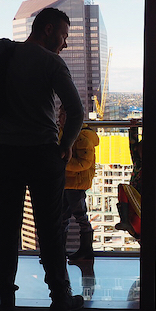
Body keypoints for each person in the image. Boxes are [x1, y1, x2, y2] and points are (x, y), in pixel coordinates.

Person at [0, 7, 85, 311]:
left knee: (7, 228)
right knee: (50, 229)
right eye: (64, 36)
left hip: (4, 153)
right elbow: (76, 112)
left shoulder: (1, 58)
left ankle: (6, 301)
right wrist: (65, 145)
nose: (65, 44)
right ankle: (60, 297)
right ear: (48, 29)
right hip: (42, 154)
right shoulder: (51, 63)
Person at [114, 118, 156, 243]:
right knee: (140, 220)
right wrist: (133, 127)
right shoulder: (140, 162)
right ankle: (126, 223)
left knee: (140, 220)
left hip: (147, 197)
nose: (141, 153)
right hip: (139, 197)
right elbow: (133, 144)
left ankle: (127, 223)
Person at [58, 105, 99, 261]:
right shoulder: (68, 134)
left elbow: (84, 163)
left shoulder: (82, 137)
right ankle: (63, 251)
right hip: (67, 183)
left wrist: (61, 163)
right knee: (64, 218)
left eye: (61, 115)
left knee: (79, 216)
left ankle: (85, 250)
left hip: (76, 184)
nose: (58, 118)